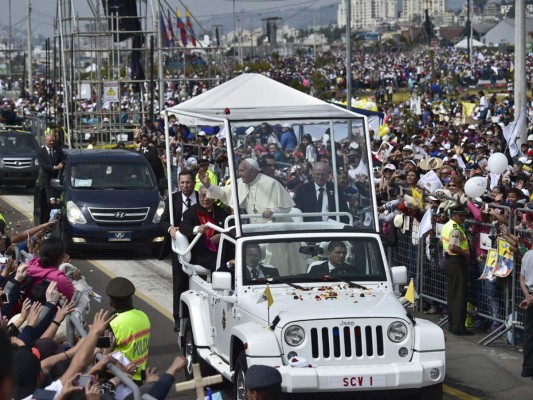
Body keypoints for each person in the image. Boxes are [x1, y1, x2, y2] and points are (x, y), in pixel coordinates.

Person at [159, 170, 198, 333]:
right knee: (180, 282)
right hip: (179, 246)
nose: (185, 186)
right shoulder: (173, 199)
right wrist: (170, 229)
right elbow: (162, 221)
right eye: (182, 182)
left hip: (198, 244)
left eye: (188, 182)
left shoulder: (201, 197)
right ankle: (178, 317)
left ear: (193, 183)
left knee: (197, 281)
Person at [199, 158, 294, 223]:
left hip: (276, 228)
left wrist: (272, 211)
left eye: (242, 171)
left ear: (253, 171)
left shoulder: (271, 183)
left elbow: (287, 207)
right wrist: (208, 185)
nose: (239, 174)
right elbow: (223, 192)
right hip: (255, 228)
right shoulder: (239, 183)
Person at [106, 277, 150, 383]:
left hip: (120, 376)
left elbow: (105, 352)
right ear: (130, 298)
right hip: (139, 376)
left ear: (111, 303)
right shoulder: (143, 316)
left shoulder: (113, 322)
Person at [179, 186, 229, 271]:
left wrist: (222, 236)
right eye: (203, 195)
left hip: (222, 250)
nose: (205, 198)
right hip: (201, 252)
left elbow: (231, 228)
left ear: (214, 198)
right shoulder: (191, 212)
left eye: (209, 196)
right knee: (222, 265)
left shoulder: (221, 212)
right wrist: (197, 229)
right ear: (198, 196)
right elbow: (183, 227)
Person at [441, 204, 472, 336]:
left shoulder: (447, 225)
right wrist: (466, 254)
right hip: (457, 262)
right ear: (454, 215)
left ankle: (453, 324)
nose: (464, 218)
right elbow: (453, 247)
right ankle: (459, 327)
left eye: (464, 215)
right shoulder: (455, 228)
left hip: (450, 262)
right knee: (459, 296)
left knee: (453, 294)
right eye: (461, 216)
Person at [26, 236, 74, 301]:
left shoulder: (31, 265)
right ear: (61, 256)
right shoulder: (60, 279)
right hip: (52, 310)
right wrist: (78, 279)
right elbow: (73, 298)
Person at [36, 135, 66, 224]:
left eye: (53, 141)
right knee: (46, 206)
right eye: (50, 141)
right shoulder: (40, 151)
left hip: (57, 180)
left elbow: (64, 158)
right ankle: (43, 225)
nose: (52, 143)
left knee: (56, 204)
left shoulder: (57, 149)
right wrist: (55, 167)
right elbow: (43, 165)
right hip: (45, 182)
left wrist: (61, 163)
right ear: (45, 141)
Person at [519, 249, 533, 378]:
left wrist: (528, 296)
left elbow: (522, 278)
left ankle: (527, 368)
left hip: (529, 297)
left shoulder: (527, 255)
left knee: (529, 334)